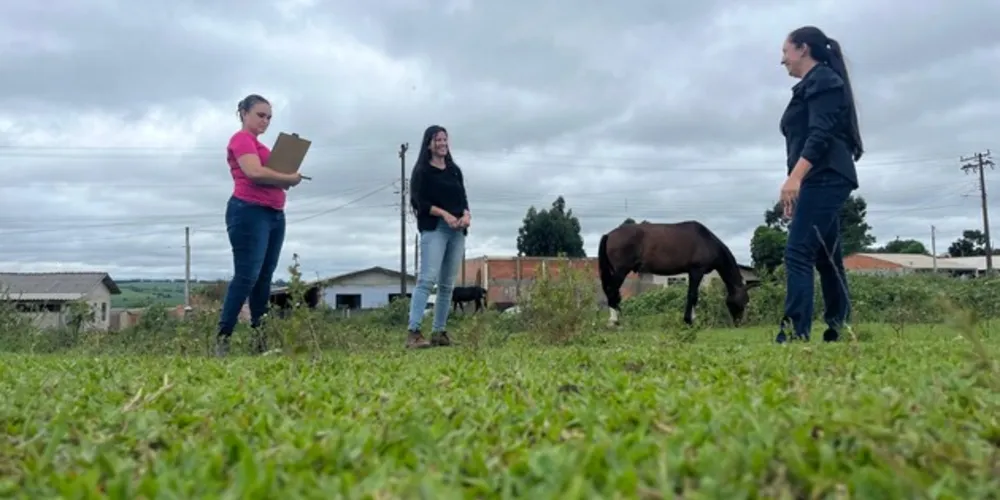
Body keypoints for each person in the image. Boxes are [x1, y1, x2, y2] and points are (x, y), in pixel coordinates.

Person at [776, 26, 864, 344]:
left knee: (798, 252)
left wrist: (795, 179)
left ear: (802, 49)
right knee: (827, 256)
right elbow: (803, 141)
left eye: (785, 52)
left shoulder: (825, 81)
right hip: (817, 177)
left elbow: (819, 135)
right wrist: (795, 187)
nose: (782, 60)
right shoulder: (810, 86)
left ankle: (794, 333)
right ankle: (838, 327)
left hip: (826, 175)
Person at [215, 94, 303, 356]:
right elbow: (254, 172)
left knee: (265, 277)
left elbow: (273, 177)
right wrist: (288, 176)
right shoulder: (241, 139)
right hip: (249, 211)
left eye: (269, 117)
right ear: (243, 112)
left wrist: (288, 177)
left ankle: (259, 339)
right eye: (260, 115)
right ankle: (223, 338)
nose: (265, 121)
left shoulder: (261, 146)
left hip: (275, 213)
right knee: (247, 275)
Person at [404, 125, 471, 349]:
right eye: (437, 140)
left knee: (447, 285)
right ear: (428, 144)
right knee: (427, 280)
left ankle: (439, 331)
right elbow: (419, 203)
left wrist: (466, 216)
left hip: (457, 231)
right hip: (435, 228)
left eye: (445, 139)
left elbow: (463, 199)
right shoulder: (422, 172)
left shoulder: (454, 171)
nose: (442, 143)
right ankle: (413, 332)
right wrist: (445, 215)